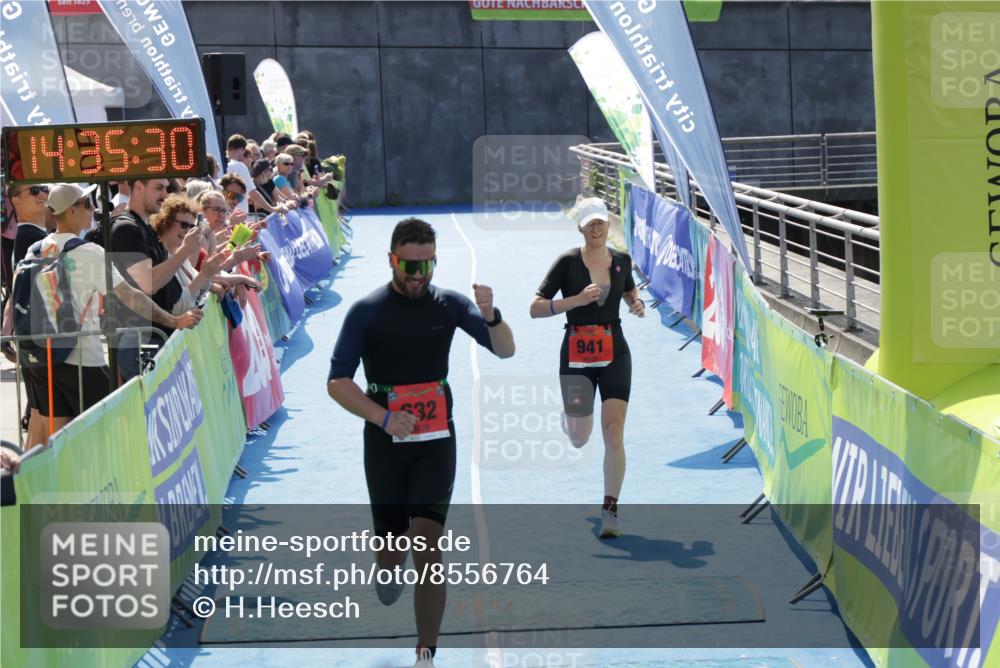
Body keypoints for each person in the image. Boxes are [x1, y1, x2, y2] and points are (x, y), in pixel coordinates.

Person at [327, 218, 515, 668]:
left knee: (428, 545)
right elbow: (337, 382)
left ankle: (425, 652)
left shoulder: (450, 304)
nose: (417, 275)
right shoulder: (366, 311)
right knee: (393, 551)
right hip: (385, 445)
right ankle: (386, 560)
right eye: (408, 265)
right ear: (392, 259)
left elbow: (505, 350)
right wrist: (384, 417)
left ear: (435, 260)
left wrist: (492, 315)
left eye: (426, 265)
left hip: (436, 441)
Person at [20, 184, 202, 448]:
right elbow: (133, 296)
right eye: (87, 204)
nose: (94, 209)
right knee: (110, 436)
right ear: (71, 211)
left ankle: (34, 486)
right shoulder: (88, 252)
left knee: (54, 441)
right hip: (82, 359)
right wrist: (173, 321)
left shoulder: (35, 249)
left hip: (42, 356)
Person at [529, 197, 645, 539]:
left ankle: (610, 510)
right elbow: (534, 308)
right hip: (576, 353)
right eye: (590, 223)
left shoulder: (621, 260)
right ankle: (570, 422)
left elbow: (628, 288)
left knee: (613, 431)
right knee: (580, 439)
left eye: (601, 222)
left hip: (614, 351)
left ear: (609, 225)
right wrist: (576, 300)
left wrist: (635, 302)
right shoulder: (566, 263)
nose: (597, 227)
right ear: (580, 227)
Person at [104, 178, 190, 381]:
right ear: (139, 187)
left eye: (166, 189)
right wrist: (185, 250)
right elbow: (148, 284)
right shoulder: (125, 228)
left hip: (154, 337)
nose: (165, 195)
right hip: (139, 342)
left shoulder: (146, 228)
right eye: (159, 188)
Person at [151, 195, 232, 313]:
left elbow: (198, 285)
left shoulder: (180, 252)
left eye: (191, 226)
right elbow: (179, 307)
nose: (188, 230)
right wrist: (205, 274)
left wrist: (211, 283)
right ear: (164, 221)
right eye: (184, 225)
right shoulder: (161, 256)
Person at [225, 134, 277, 214]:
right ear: (242, 149)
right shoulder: (240, 166)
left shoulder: (224, 166)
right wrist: (272, 209)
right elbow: (253, 192)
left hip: (229, 215)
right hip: (240, 215)